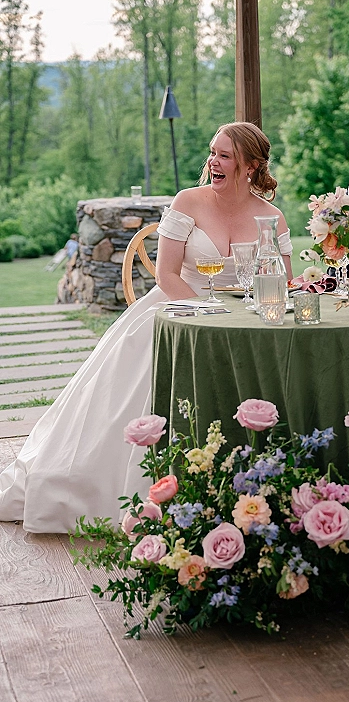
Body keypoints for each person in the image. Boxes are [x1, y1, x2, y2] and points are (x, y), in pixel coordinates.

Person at [0, 122, 292, 534]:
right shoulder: (188, 201)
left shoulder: (272, 217)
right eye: (212, 152)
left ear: (250, 166)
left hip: (245, 320)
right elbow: (167, 276)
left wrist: (247, 313)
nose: (212, 162)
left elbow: (283, 280)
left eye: (224, 156)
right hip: (177, 311)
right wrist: (206, 312)